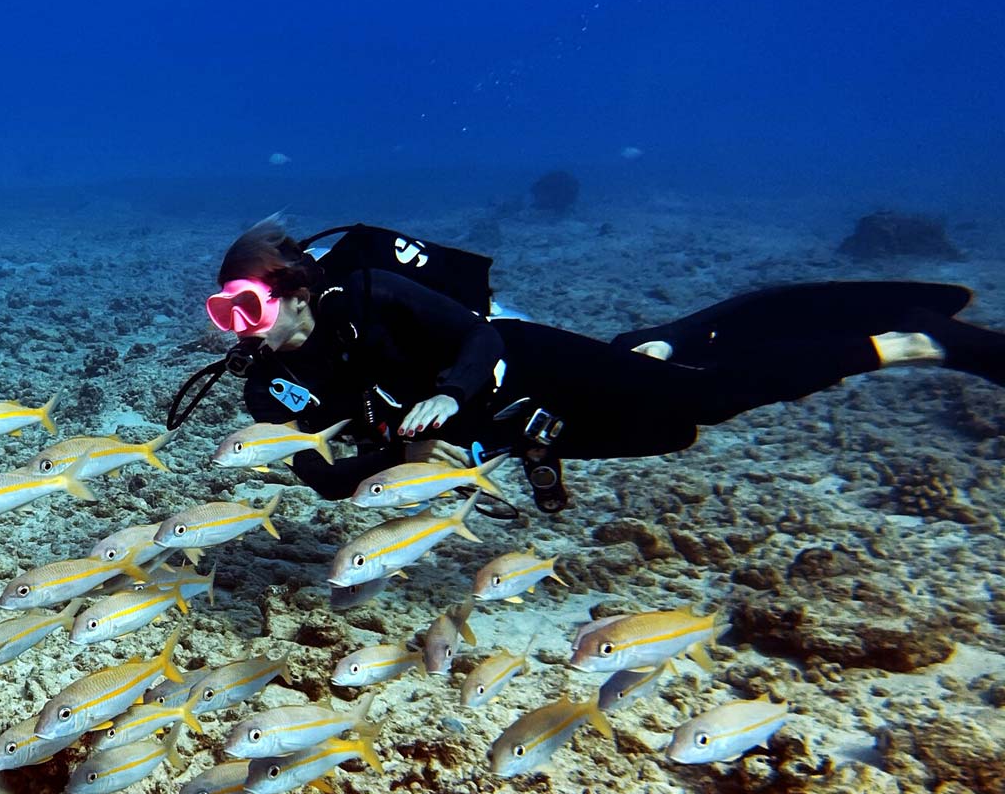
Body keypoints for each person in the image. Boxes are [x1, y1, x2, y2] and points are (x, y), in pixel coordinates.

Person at [194, 220, 1005, 511]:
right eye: (224, 314)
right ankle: (658, 343)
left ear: (301, 294)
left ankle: (910, 342)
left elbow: (483, 343)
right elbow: (323, 478)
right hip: (509, 427)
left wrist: (446, 397)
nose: (241, 332)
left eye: (250, 310)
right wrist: (389, 461)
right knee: (668, 425)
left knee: (709, 401)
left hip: (523, 364)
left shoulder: (374, 292)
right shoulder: (267, 386)